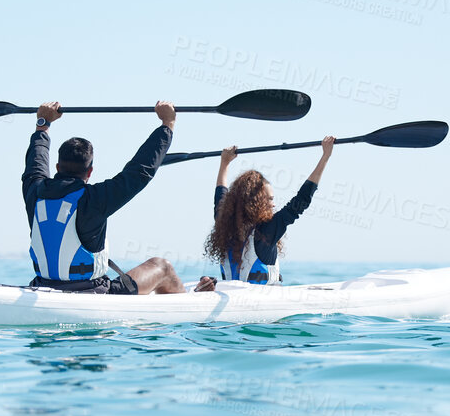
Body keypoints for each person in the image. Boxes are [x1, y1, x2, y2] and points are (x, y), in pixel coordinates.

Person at [23, 101, 187, 294]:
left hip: (41, 286)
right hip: (93, 292)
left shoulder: (34, 190)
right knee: (163, 266)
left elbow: (36, 160)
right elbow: (139, 171)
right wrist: (168, 124)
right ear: (90, 172)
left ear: (58, 167)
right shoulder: (95, 198)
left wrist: (43, 125)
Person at [196, 136, 336, 290]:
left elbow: (220, 196)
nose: (273, 204)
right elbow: (301, 201)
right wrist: (325, 157)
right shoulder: (266, 231)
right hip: (260, 308)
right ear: (255, 203)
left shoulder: (224, 226)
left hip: (233, 304)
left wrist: (224, 163)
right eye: (269, 200)